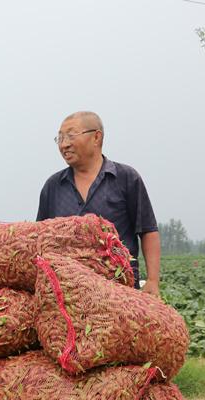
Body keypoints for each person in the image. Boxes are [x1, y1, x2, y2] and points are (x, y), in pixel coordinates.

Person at [36, 111, 161, 296]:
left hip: (120, 289)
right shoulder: (53, 186)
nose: (64, 144)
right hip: (68, 292)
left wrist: (152, 280)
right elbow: (39, 241)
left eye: (70, 136)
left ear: (96, 137)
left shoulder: (126, 178)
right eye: (60, 138)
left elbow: (147, 230)